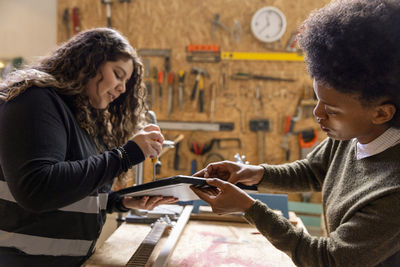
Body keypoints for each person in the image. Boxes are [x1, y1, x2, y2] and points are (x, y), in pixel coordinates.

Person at [191, 0, 400, 266]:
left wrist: (249, 207)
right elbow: (313, 171)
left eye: (332, 110)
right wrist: (252, 174)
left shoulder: (394, 191)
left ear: (381, 113)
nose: (317, 114)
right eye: (317, 99)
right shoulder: (352, 134)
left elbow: (327, 258)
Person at [0, 28, 177, 266]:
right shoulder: (35, 101)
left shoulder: (80, 116)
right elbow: (38, 190)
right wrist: (127, 154)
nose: (123, 89)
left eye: (126, 81)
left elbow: (70, 188)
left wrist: (118, 201)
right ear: (89, 63)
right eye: (117, 74)